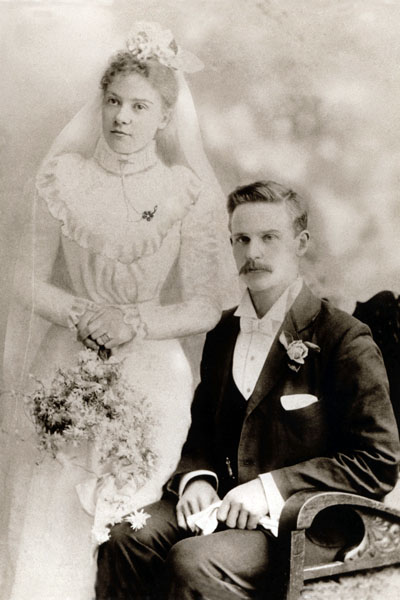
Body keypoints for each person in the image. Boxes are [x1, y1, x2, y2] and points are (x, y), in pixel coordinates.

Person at [0, 22, 238, 600]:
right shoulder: (65, 178)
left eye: (139, 105)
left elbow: (207, 304)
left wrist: (135, 321)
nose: (122, 118)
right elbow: (23, 280)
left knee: (128, 521)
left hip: (152, 373)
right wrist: (80, 313)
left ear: (165, 116)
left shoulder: (187, 191)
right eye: (113, 102)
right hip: (67, 366)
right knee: (55, 512)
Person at [96, 180, 400, 600]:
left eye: (269, 238)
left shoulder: (342, 338)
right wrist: (197, 478)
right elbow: (203, 429)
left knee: (193, 561)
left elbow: (378, 461)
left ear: (301, 242)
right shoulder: (223, 330)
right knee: (125, 537)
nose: (252, 253)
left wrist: (270, 488)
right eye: (241, 239)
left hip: (303, 524)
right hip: (219, 504)